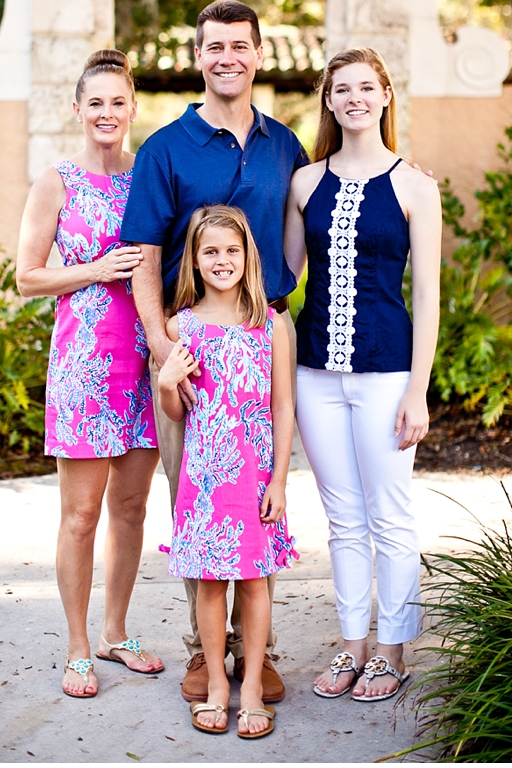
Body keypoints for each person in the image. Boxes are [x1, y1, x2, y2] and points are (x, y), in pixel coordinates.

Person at [119, 0, 309, 705]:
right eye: (214, 46)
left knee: (258, 503)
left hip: (259, 345)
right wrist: (163, 341)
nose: (227, 56)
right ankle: (207, 649)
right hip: (188, 353)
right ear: (197, 57)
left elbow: (306, 218)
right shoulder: (165, 147)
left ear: (260, 54)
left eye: (240, 45)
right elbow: (143, 253)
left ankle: (256, 652)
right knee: (197, 500)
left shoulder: (284, 144)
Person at [284, 48, 441, 702]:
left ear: (384, 95)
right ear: (327, 99)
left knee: (391, 516)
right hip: (315, 375)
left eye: (364, 87)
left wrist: (418, 389)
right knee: (342, 517)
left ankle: (392, 650)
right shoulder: (303, 183)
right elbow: (282, 279)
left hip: (386, 373)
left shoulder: (414, 185)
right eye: (340, 88)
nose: (353, 97)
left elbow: (428, 293)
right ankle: (352, 646)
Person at [16, 50, 163, 699]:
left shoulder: (149, 178)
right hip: (82, 372)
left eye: (117, 101)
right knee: (80, 516)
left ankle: (115, 630)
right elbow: (27, 276)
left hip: (144, 367)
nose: (107, 112)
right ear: (78, 110)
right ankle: (77, 645)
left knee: (130, 508)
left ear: (133, 108)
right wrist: (97, 270)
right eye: (95, 102)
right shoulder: (56, 182)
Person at [157, 205, 296, 738]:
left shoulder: (270, 323)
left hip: (257, 473)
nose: (221, 261)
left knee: (256, 583)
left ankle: (255, 685)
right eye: (210, 251)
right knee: (212, 586)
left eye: (231, 251)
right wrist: (169, 382)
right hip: (206, 476)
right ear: (194, 258)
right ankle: (217, 682)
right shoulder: (182, 325)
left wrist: (279, 480)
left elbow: (282, 407)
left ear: (247, 256)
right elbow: (177, 411)